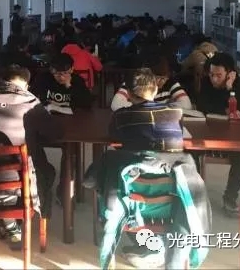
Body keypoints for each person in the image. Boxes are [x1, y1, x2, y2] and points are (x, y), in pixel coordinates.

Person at [88, 68, 210, 269]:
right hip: (172, 197)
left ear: (129, 94)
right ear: (155, 90)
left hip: (131, 198)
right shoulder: (175, 114)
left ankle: (148, 245)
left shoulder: (121, 116)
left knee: (110, 165)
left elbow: (114, 136)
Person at [0, 65, 63, 250]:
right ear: (26, 84)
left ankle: (8, 223)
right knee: (48, 171)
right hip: (18, 189)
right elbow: (55, 133)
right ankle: (14, 222)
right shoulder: (30, 102)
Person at [196, 52, 240, 216]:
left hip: (234, 137)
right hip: (208, 134)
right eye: (211, 74)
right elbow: (202, 106)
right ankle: (196, 195)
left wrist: (230, 89)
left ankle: (230, 198)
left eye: (219, 75)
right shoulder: (206, 82)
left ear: (230, 74)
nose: (214, 79)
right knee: (190, 151)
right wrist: (226, 109)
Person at [30, 53, 93, 202]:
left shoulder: (77, 81)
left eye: (64, 73)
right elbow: (32, 97)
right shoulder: (44, 79)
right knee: (31, 145)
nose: (60, 77)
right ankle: (44, 179)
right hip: (47, 122)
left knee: (71, 153)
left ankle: (64, 190)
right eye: (56, 73)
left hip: (70, 124)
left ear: (71, 70)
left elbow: (87, 104)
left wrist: (69, 86)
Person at [111, 58, 192, 111]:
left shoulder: (170, 82)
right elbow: (115, 104)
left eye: (164, 78)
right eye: (157, 78)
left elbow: (186, 105)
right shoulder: (134, 82)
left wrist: (154, 107)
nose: (161, 82)